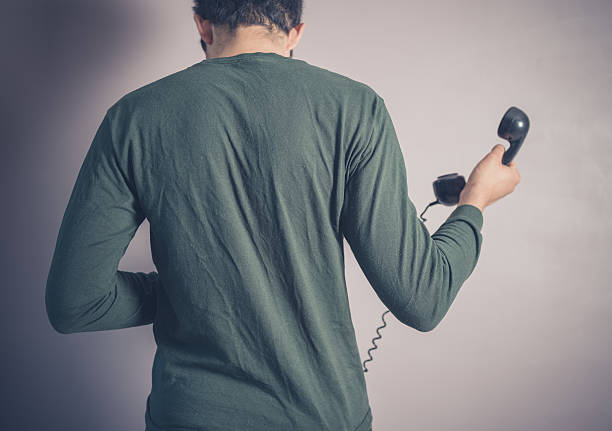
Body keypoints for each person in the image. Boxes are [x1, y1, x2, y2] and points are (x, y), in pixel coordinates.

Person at [44, 1, 520, 430]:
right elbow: (422, 298)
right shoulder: (355, 110)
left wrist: (184, 292)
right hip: (321, 417)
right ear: (295, 31)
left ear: (203, 25)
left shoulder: (133, 118)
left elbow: (75, 303)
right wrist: (474, 204)